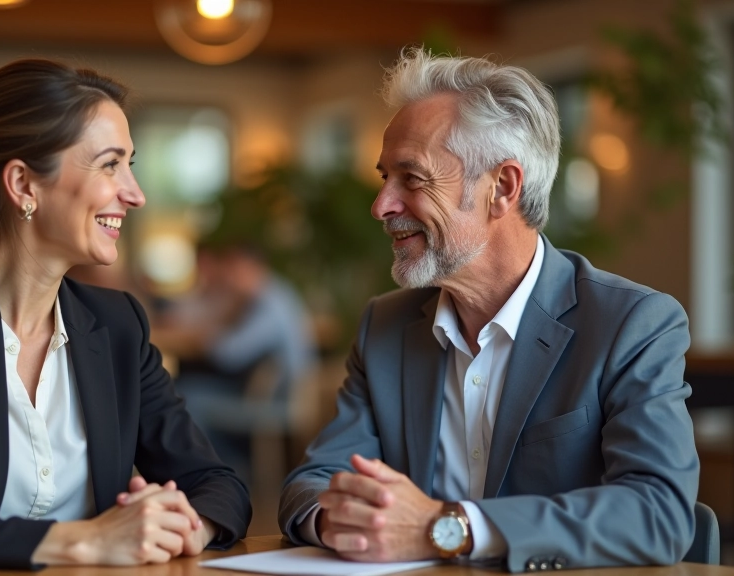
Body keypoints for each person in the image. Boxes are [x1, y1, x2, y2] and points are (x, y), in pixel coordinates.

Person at [279, 48, 698, 572]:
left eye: (411, 178)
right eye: (385, 177)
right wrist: (340, 519)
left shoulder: (631, 325)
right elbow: (313, 484)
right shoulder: (385, 326)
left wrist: (446, 529)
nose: (381, 204)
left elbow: (658, 513)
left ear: (501, 188)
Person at [0, 59, 251, 570]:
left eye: (132, 164)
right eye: (109, 165)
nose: (135, 193)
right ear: (24, 186)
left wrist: (180, 526)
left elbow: (220, 487)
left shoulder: (118, 323)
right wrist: (85, 540)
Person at [168, 244, 316, 482]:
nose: (230, 279)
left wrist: (207, 335)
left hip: (275, 400)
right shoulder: (272, 294)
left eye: (235, 271)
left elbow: (229, 354)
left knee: (186, 398)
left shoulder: (270, 304)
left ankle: (228, 473)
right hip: (262, 391)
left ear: (253, 268)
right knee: (186, 387)